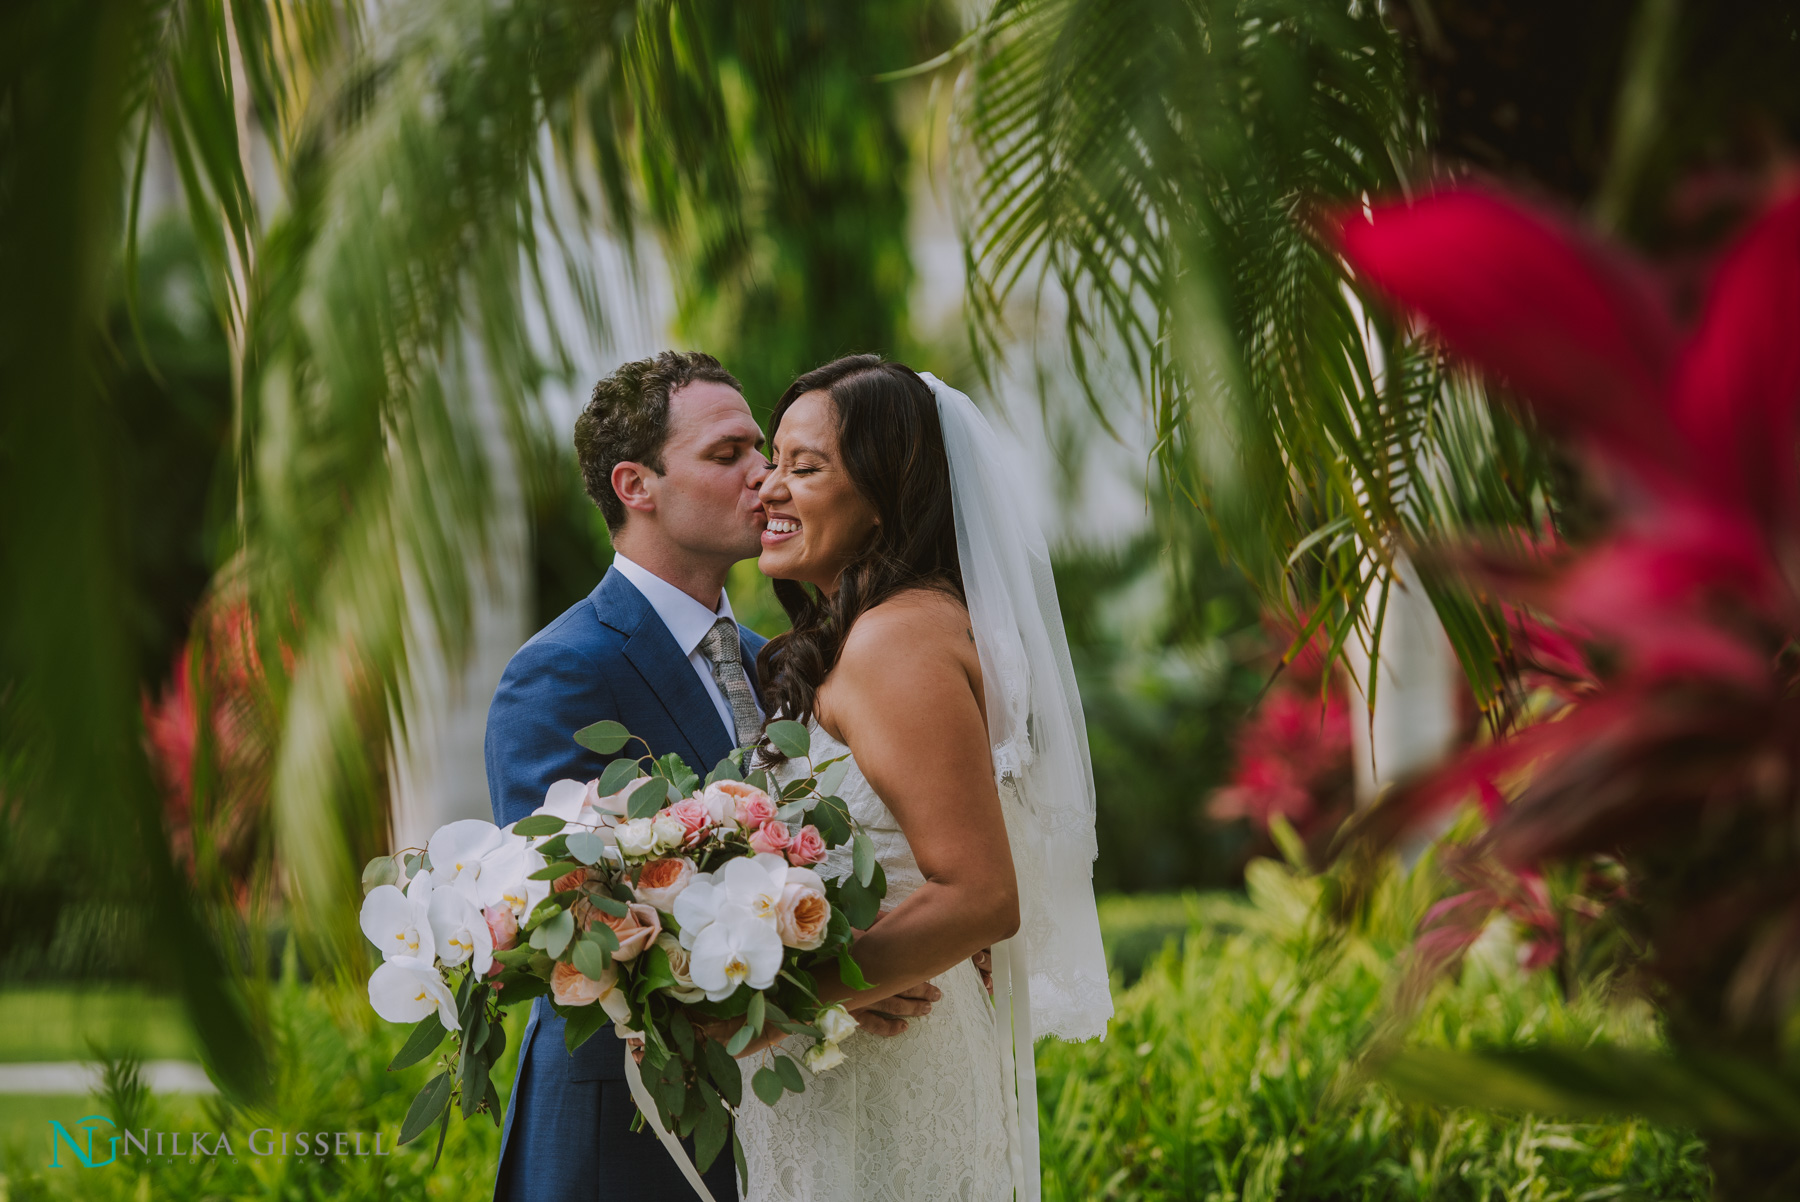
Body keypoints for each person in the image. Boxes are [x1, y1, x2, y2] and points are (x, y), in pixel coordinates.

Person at [484, 351, 942, 1202]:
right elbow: (571, 932)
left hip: (783, 1135)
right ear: (636, 484)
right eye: (728, 454)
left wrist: (876, 949)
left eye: (765, 453)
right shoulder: (558, 673)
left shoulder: (786, 665)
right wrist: (828, 989)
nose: (765, 476)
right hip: (615, 1139)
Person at [733, 356, 1113, 1201]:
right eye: (772, 464)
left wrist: (772, 1001)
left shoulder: (894, 642)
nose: (770, 489)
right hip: (866, 1057)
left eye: (807, 468)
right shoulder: (901, 625)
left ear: (883, 495)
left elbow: (979, 895)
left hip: (882, 1074)